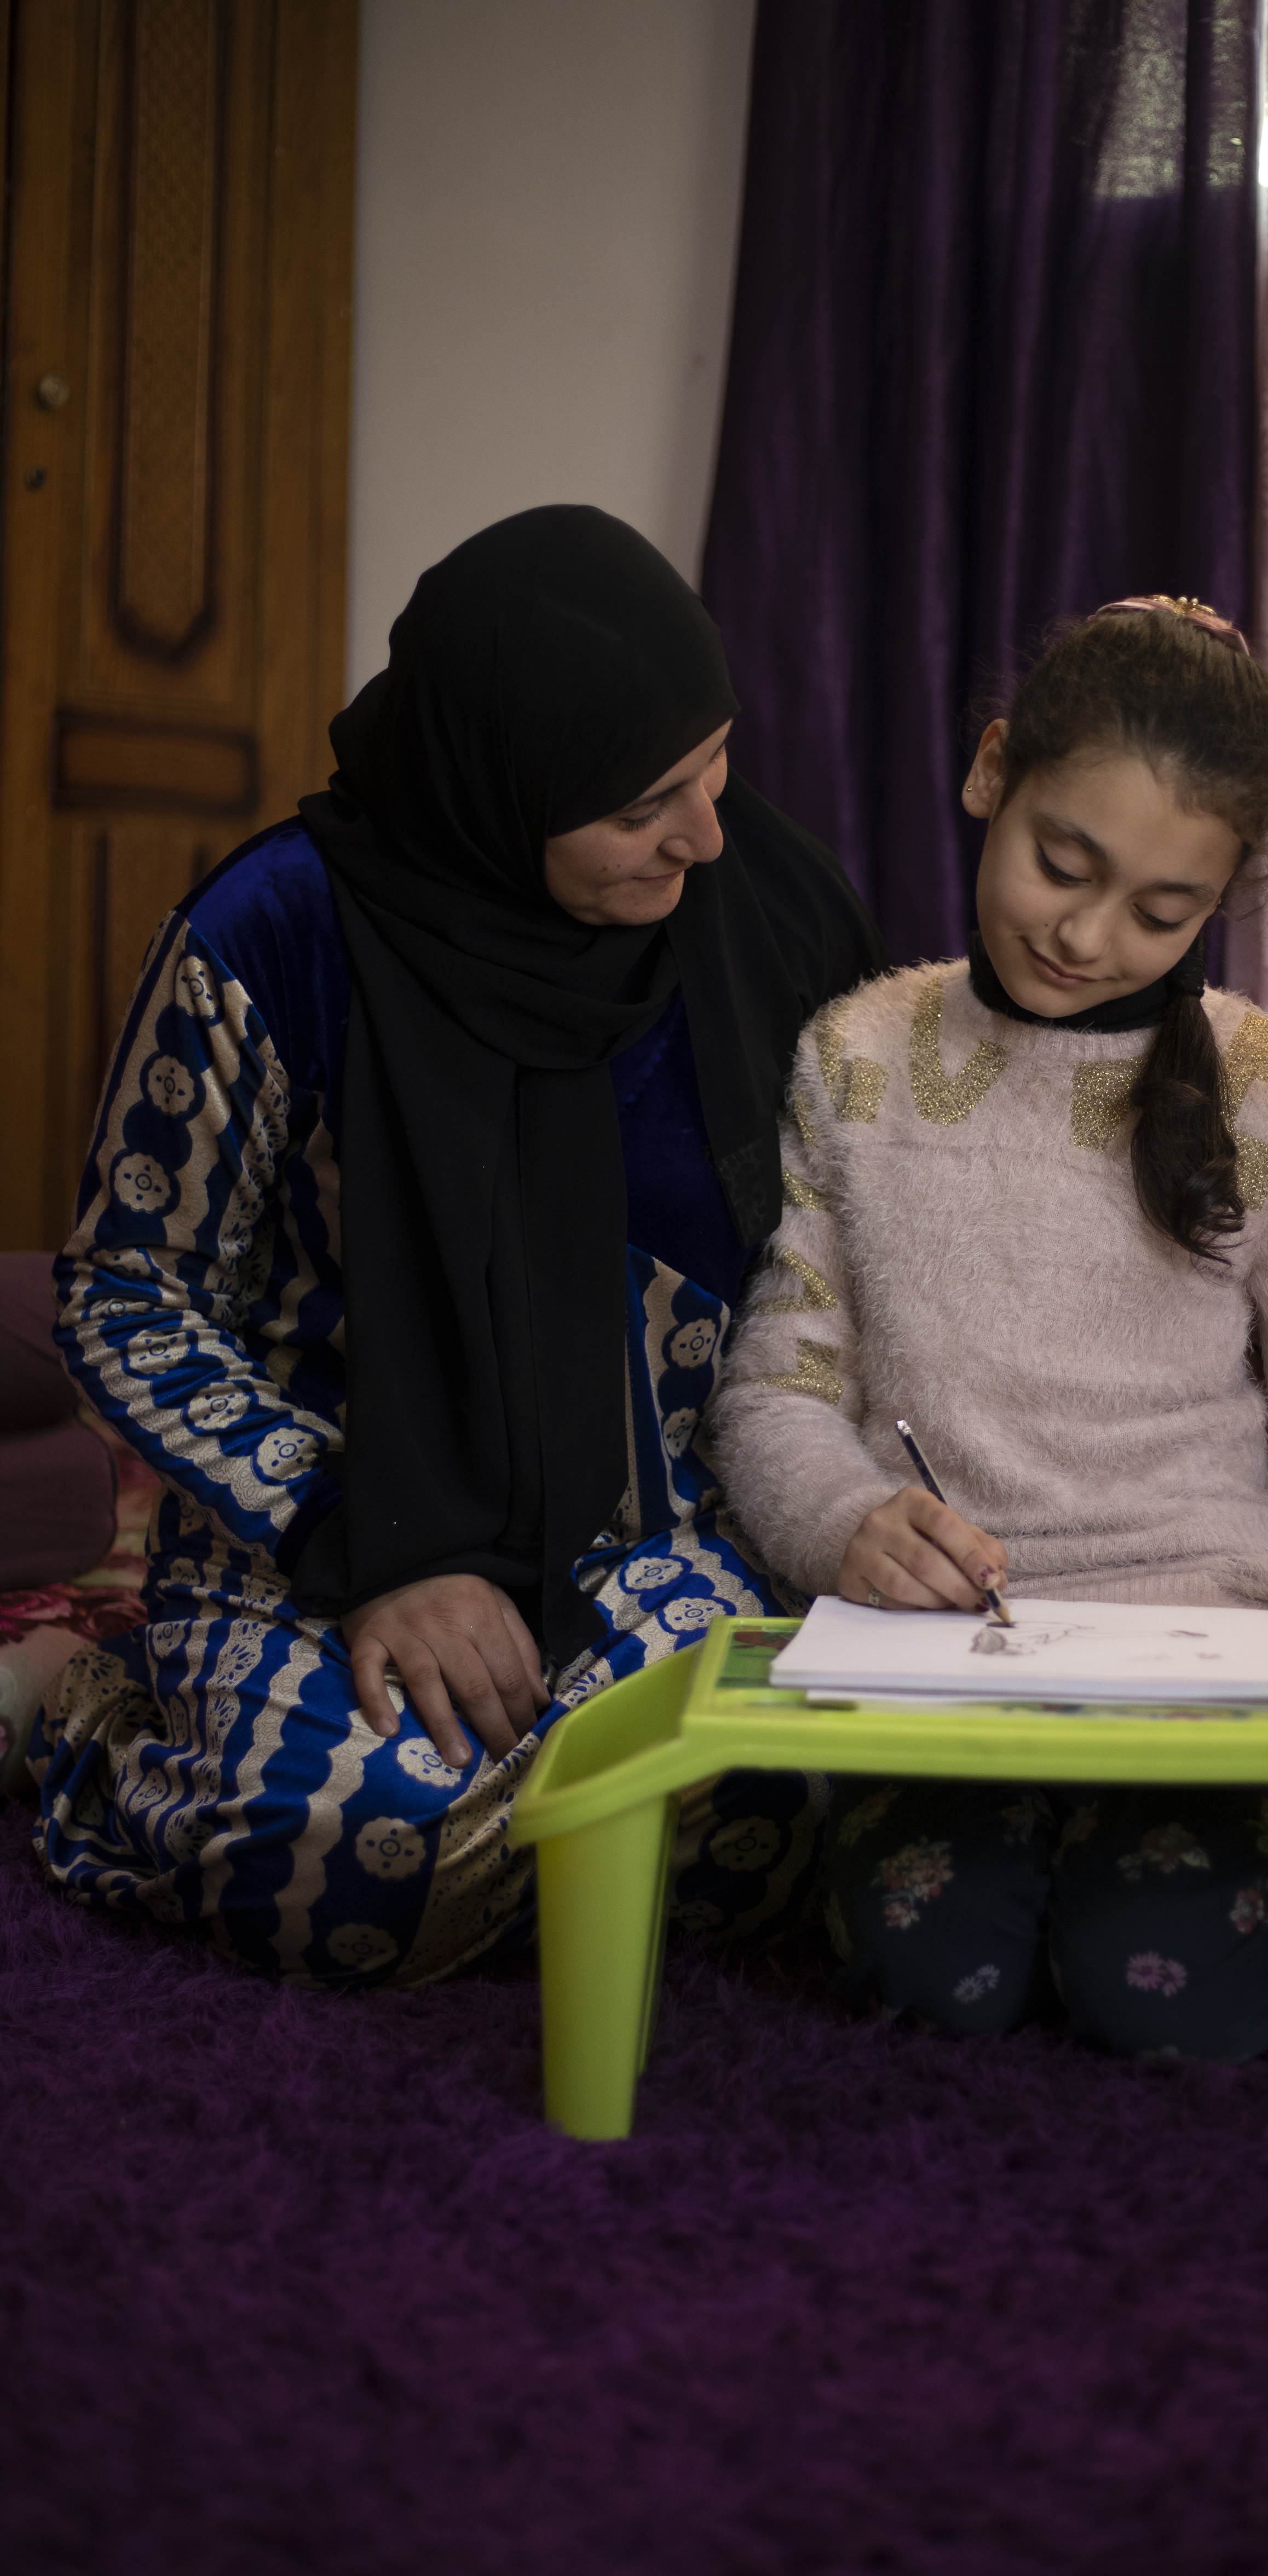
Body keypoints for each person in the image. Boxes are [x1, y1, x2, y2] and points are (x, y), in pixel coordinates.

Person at [16, 507, 886, 1984]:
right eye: (644, 805)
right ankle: (92, 1723)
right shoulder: (278, 927)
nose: (707, 834)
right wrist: (368, 1539)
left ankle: (534, 1813)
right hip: (331, 1523)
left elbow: (871, 1243)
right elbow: (125, 1292)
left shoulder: (772, 909)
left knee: (830, 1791)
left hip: (664, 1537)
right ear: (498, 784)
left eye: (716, 762)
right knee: (354, 1843)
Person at [710, 599, 1268, 2059]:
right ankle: (1222, 1844)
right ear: (992, 769)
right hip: (945, 1652)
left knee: (1161, 1985)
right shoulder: (857, 1058)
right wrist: (849, 1523)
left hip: (1202, 1647)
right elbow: (774, 1393)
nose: (1086, 934)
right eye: (1063, 865)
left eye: (1161, 911)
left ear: (1223, 893)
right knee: (937, 1977)